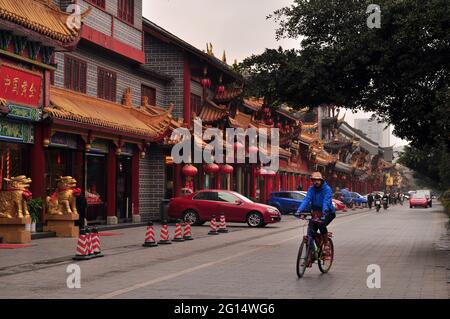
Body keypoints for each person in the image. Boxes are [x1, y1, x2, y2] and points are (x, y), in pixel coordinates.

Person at [295, 172, 336, 260]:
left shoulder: (327, 189)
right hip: (316, 212)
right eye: (314, 180)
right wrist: (299, 210)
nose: (316, 182)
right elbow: (307, 199)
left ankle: (326, 245)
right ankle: (310, 256)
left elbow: (326, 201)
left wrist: (324, 211)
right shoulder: (311, 189)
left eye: (318, 180)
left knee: (321, 224)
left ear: (321, 180)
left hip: (328, 212)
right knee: (310, 234)